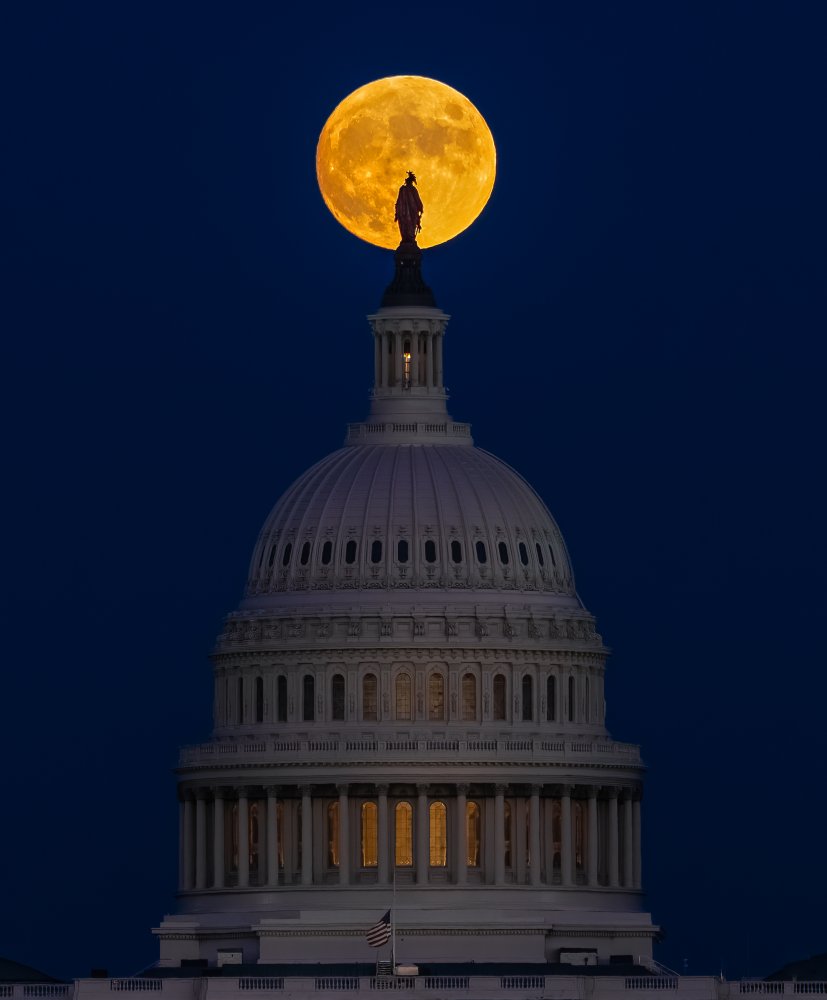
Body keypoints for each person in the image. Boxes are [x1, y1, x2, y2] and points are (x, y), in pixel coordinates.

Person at [394, 171, 423, 242]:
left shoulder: (412, 189)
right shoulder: (403, 189)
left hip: (411, 211)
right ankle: (407, 239)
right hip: (403, 212)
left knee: (410, 225)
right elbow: (399, 200)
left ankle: (409, 239)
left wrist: (420, 208)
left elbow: (417, 199)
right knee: (405, 224)